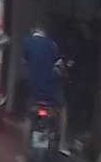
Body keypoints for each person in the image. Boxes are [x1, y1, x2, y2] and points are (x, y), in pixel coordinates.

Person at [23, 22, 69, 154]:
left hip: (35, 90)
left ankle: (24, 153)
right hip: (51, 91)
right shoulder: (52, 45)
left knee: (28, 117)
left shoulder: (27, 43)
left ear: (34, 32)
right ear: (44, 33)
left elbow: (24, 63)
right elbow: (60, 67)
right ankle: (62, 144)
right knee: (63, 110)